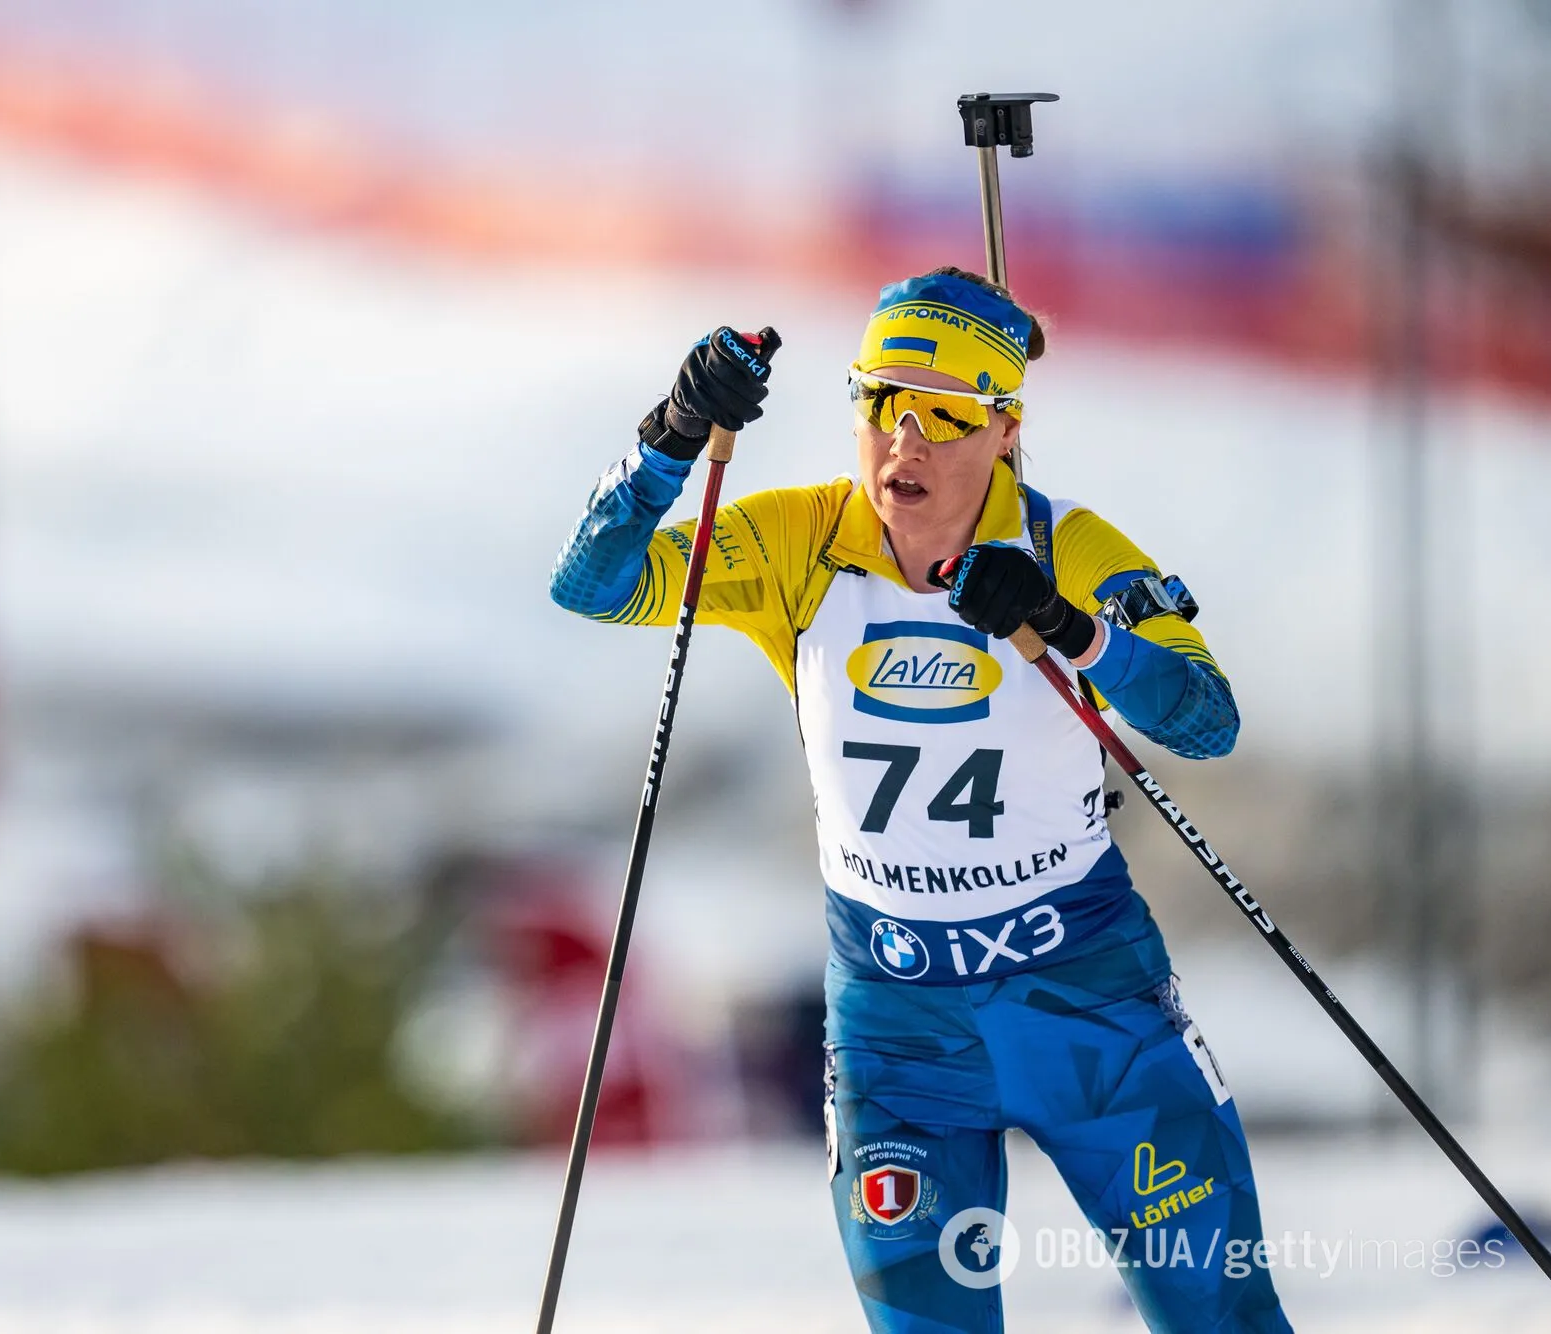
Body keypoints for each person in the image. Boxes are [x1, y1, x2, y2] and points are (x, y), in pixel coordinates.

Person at [549, 269, 1291, 1333]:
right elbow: (595, 582)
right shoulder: (797, 543)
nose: (904, 440)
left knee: (1217, 1313)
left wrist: (1069, 626)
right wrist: (672, 433)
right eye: (878, 403)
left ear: (1002, 429)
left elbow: (1202, 719)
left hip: (1082, 1001)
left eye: (943, 414)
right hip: (900, 1028)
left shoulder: (1066, 547)